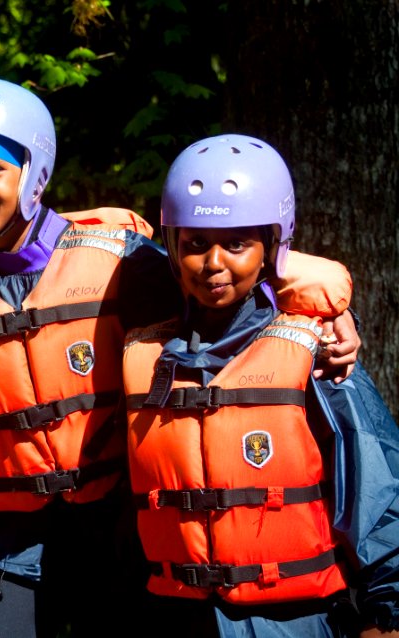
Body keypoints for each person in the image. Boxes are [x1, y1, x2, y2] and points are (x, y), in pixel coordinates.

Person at [0, 77, 361, 638]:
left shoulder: (121, 262)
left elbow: (224, 297)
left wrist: (330, 312)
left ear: (34, 172)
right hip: (8, 548)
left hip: (119, 538)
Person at [122, 133, 399, 636]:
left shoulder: (317, 353)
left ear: (274, 245)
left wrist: (388, 611)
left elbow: (376, 491)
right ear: (172, 245)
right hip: (176, 618)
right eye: (195, 245)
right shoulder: (141, 354)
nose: (213, 264)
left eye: (237, 244)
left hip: (295, 620)